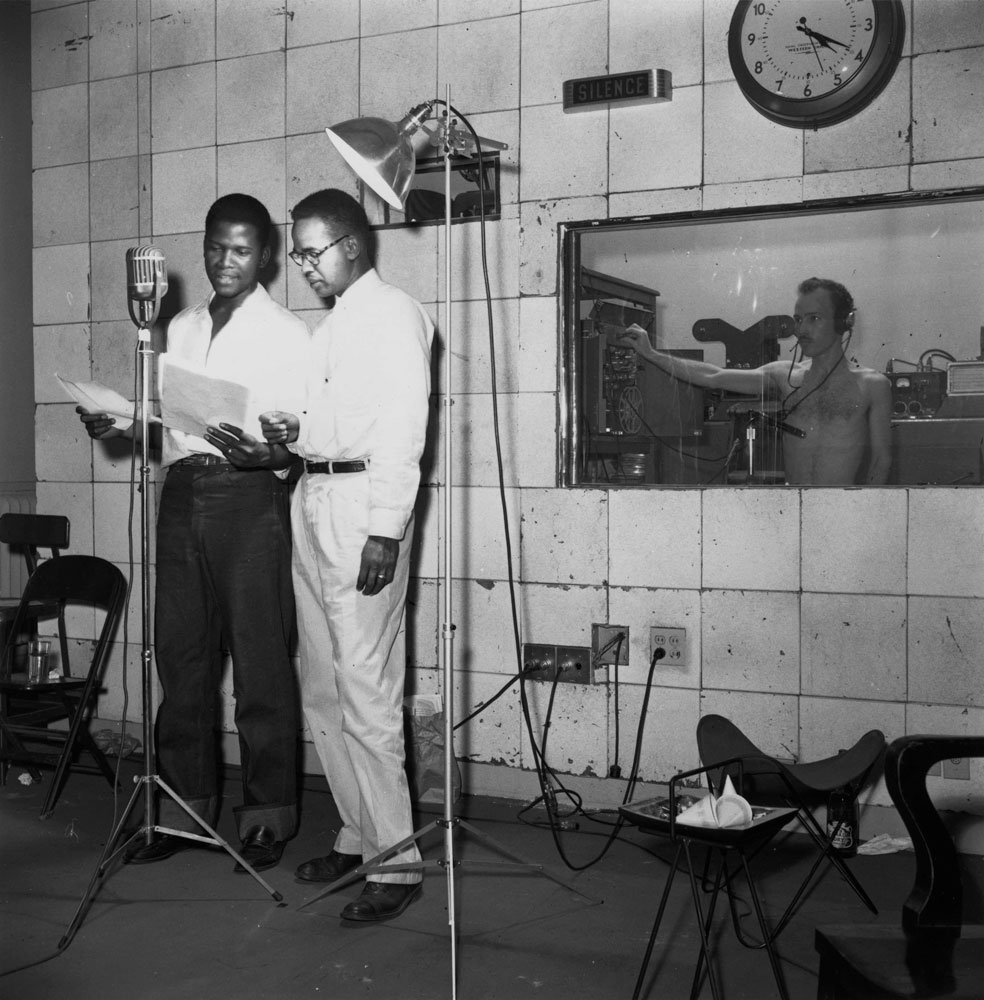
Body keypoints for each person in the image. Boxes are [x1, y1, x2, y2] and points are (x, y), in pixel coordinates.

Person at [78, 193, 310, 872]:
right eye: (214, 247)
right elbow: (171, 416)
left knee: (261, 662)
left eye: (240, 250)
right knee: (181, 659)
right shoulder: (178, 326)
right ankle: (182, 811)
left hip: (249, 498)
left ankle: (268, 817)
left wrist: (269, 451)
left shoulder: (288, 334)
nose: (224, 262)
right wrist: (122, 422)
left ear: (264, 253)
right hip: (182, 494)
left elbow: (302, 434)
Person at [258, 188, 433, 923]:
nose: (302, 265)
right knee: (324, 688)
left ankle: (396, 863)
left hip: (365, 508)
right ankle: (360, 835)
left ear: (353, 244)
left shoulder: (395, 314)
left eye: (310, 250)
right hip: (315, 498)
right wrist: (276, 442)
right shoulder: (329, 329)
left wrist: (388, 529)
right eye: (296, 252)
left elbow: (402, 426)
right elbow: (321, 427)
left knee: (365, 687)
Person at [618, 277, 892, 485]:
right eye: (798, 319)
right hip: (794, 509)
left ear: (845, 322)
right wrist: (650, 354)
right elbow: (713, 377)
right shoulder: (785, 376)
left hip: (844, 513)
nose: (802, 329)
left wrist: (863, 515)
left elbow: (881, 461)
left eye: (814, 318)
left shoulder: (872, 385)